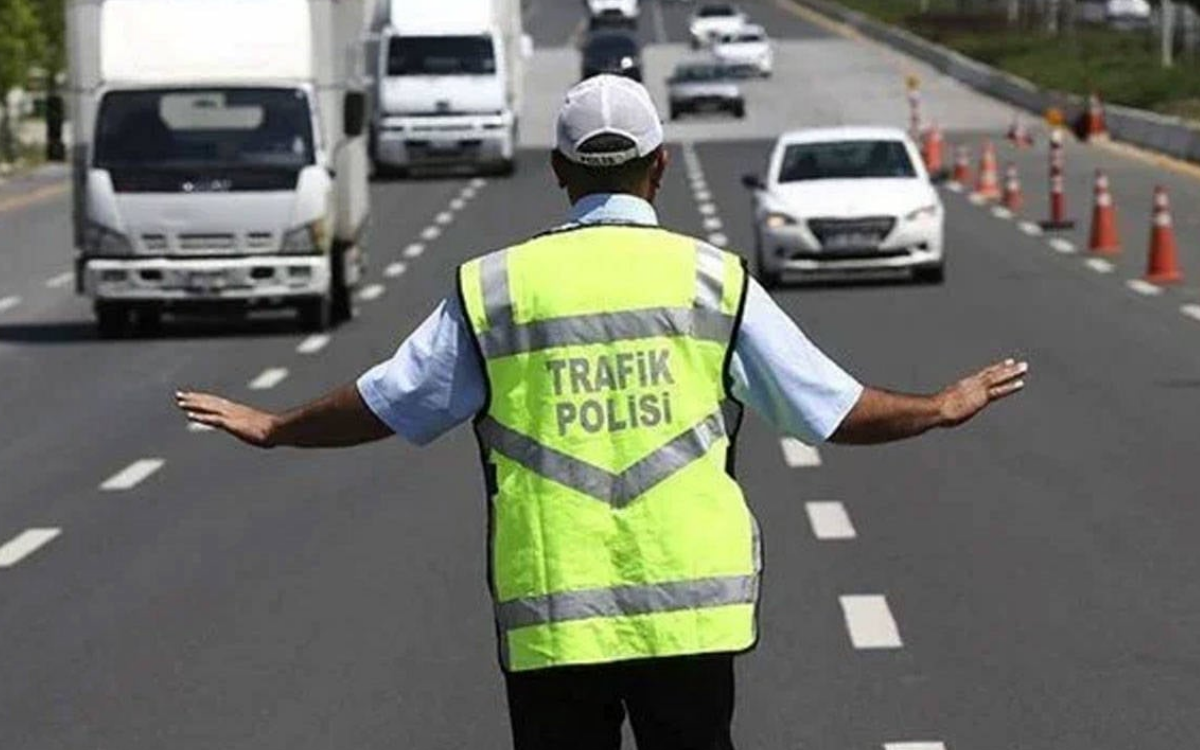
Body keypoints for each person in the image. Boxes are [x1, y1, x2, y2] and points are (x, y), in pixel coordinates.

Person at [176, 75, 1028, 750]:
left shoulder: (498, 288)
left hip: (554, 615)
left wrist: (276, 427)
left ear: (558, 171)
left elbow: (390, 401)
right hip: (691, 617)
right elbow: (830, 410)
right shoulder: (712, 281)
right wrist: (938, 407)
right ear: (660, 167)